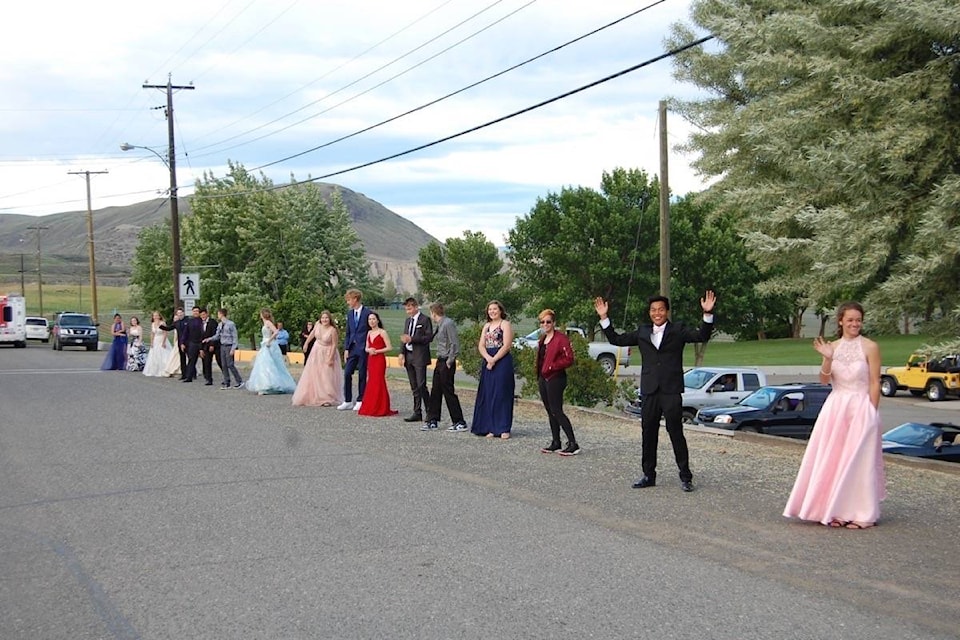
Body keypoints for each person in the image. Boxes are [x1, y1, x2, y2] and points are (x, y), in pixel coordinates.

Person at [595, 291, 715, 492]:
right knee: (648, 433)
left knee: (675, 432)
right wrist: (604, 317)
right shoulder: (642, 331)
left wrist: (707, 314)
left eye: (660, 309)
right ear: (649, 312)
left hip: (670, 390)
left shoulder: (678, 330)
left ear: (667, 311)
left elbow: (701, 335)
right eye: (653, 310)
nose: (657, 313)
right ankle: (648, 475)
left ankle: (686, 477)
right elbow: (617, 339)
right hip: (650, 390)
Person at [784, 301, 885, 529]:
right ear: (841, 321)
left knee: (859, 459)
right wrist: (828, 358)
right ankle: (837, 509)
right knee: (835, 458)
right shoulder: (833, 346)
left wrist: (872, 412)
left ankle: (863, 513)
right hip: (837, 406)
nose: (854, 324)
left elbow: (874, 382)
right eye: (850, 320)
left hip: (861, 405)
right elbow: (824, 380)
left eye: (858, 320)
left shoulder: (870, 347)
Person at [535, 309, 579, 456]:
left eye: (548, 321)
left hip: (556, 377)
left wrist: (552, 366)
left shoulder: (561, 339)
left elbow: (569, 358)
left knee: (557, 410)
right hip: (543, 378)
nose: (545, 324)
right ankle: (556, 441)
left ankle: (573, 443)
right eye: (542, 322)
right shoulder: (543, 339)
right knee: (549, 411)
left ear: (554, 323)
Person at [471, 300, 515, 439]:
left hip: (502, 361)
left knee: (502, 394)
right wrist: (488, 359)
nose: (492, 311)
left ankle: (503, 428)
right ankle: (490, 427)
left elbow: (507, 345)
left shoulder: (505, 324)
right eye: (490, 309)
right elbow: (481, 345)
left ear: (500, 310)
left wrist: (494, 359)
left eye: (495, 309)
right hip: (488, 360)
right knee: (489, 394)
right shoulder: (487, 326)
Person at [424, 302, 467, 432]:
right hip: (440, 359)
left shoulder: (448, 323)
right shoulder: (440, 324)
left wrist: (450, 360)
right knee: (436, 390)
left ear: (433, 312)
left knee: (448, 391)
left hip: (446, 361)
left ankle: (459, 421)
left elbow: (454, 343)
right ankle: (432, 420)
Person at [292, 310, 345, 407]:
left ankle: (326, 397)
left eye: (326, 318)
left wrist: (330, 358)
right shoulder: (317, 325)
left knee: (326, 375)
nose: (324, 320)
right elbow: (312, 334)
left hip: (327, 351)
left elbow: (334, 345)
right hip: (316, 351)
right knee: (315, 373)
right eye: (323, 318)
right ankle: (311, 395)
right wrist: (306, 343)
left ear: (330, 319)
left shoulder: (332, 330)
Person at [246, 308, 297, 395]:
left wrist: (269, 340)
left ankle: (271, 384)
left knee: (270, 363)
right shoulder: (265, 323)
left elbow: (276, 332)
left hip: (269, 344)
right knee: (263, 364)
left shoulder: (268, 322)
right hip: (265, 344)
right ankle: (264, 384)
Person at [399, 297, 433, 424]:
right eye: (406, 308)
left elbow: (428, 337)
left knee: (421, 384)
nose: (408, 310)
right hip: (409, 355)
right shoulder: (408, 321)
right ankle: (417, 411)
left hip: (419, 356)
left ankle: (430, 411)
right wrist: (401, 353)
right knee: (414, 386)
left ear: (416, 307)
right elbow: (404, 337)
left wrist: (412, 339)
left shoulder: (425, 320)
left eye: (410, 307)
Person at [357, 312, 398, 417]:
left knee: (379, 381)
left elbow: (389, 347)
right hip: (371, 359)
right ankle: (371, 405)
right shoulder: (369, 333)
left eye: (373, 319)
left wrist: (377, 351)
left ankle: (381, 406)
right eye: (369, 319)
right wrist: (369, 350)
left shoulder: (382, 332)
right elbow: (366, 347)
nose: (371, 321)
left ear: (378, 320)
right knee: (371, 381)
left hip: (379, 359)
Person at [338, 289, 372, 411]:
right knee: (347, 373)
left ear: (355, 299)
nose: (348, 302)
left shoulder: (368, 313)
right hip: (352, 348)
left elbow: (372, 329)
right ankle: (347, 400)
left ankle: (360, 399)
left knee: (362, 374)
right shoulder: (350, 314)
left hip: (363, 348)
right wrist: (346, 348)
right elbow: (348, 332)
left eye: (349, 300)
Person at [204, 308, 243, 389]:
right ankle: (226, 382)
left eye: (218, 314)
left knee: (230, 364)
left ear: (221, 314)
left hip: (229, 346)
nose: (218, 316)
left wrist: (233, 348)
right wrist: (209, 339)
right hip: (222, 346)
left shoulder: (231, 324)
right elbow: (217, 335)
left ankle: (239, 381)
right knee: (224, 365)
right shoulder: (220, 324)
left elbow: (235, 337)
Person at [142, 311, 172, 377]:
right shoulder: (152, 324)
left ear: (159, 316)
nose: (155, 317)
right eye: (154, 316)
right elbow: (152, 334)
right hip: (156, 340)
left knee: (163, 354)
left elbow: (165, 333)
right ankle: (155, 370)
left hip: (161, 339)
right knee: (154, 355)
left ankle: (165, 370)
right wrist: (152, 342)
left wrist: (163, 342)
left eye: (156, 315)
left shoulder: (162, 323)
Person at [180, 306, 204, 383]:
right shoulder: (190, 321)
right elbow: (185, 333)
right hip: (192, 343)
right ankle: (189, 377)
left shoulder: (203, 321)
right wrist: (182, 342)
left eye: (197, 311)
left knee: (205, 361)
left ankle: (207, 377)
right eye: (194, 311)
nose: (195, 312)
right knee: (191, 360)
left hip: (202, 342)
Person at [161, 308, 186, 378]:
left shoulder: (187, 321)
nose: (180, 314)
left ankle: (191, 373)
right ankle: (184, 374)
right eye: (178, 313)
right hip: (179, 342)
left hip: (187, 342)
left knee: (189, 358)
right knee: (182, 358)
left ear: (183, 313)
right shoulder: (176, 323)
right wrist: (160, 326)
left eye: (181, 313)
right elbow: (169, 328)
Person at [198, 307, 218, 385]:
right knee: (206, 362)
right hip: (204, 346)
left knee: (219, 361)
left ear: (207, 314)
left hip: (212, 344)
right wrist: (200, 348)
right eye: (201, 315)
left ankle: (226, 377)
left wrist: (212, 344)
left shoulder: (212, 322)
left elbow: (215, 334)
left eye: (204, 314)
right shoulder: (200, 324)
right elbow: (199, 337)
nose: (203, 316)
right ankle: (208, 378)